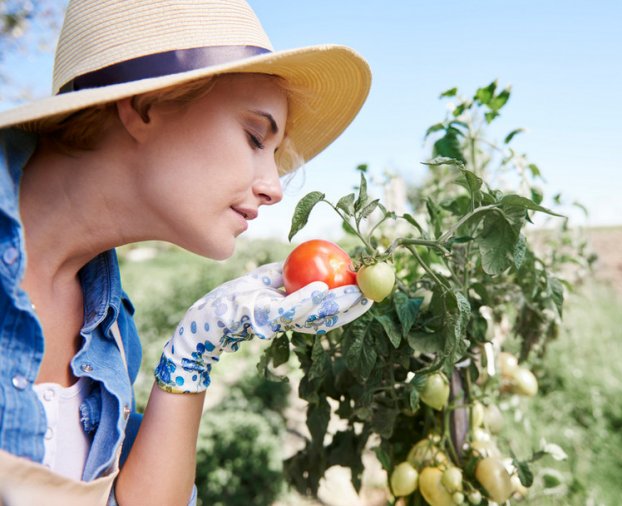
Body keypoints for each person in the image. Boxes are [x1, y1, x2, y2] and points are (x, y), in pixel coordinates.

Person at [0, 0, 372, 504]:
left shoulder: (109, 329)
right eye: (254, 137)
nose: (274, 188)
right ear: (148, 105)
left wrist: (193, 351)